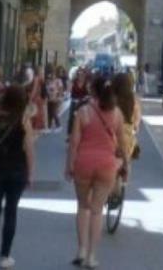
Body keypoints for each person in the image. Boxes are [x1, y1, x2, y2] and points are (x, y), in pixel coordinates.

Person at [65, 76, 123, 269]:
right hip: (107, 165)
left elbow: (74, 142)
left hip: (84, 162)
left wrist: (69, 165)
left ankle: (81, 249)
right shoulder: (117, 113)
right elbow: (122, 144)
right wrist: (124, 165)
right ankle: (92, 256)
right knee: (97, 211)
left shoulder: (83, 112)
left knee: (83, 207)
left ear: (93, 91)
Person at [0, 83, 35, 269]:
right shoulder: (24, 121)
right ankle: (5, 256)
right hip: (17, 171)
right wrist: (30, 173)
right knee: (11, 211)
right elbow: (29, 150)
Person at [110, 72, 141, 181]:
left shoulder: (109, 98)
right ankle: (123, 181)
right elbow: (137, 123)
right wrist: (134, 129)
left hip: (110, 135)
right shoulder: (133, 100)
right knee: (126, 161)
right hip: (127, 137)